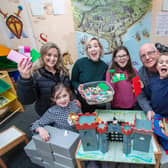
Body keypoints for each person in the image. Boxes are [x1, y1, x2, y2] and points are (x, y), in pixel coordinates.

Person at [17, 42, 71, 116]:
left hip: (65, 109)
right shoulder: (36, 74)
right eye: (49, 55)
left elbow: (69, 90)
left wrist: (74, 100)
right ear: (42, 56)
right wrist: (25, 79)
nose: (52, 58)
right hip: (47, 113)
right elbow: (27, 100)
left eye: (55, 56)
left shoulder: (64, 71)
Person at [71, 37, 108, 113]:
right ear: (87, 51)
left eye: (95, 46)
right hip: (83, 104)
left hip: (99, 104)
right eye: (89, 47)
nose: (93, 49)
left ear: (100, 49)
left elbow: (105, 84)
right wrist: (78, 87)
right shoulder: (79, 63)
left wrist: (100, 90)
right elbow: (73, 81)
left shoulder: (105, 66)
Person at [137, 43, 159, 120]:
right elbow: (139, 95)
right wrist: (148, 110)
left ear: (157, 53)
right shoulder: (137, 75)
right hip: (151, 113)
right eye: (143, 56)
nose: (147, 57)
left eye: (150, 53)